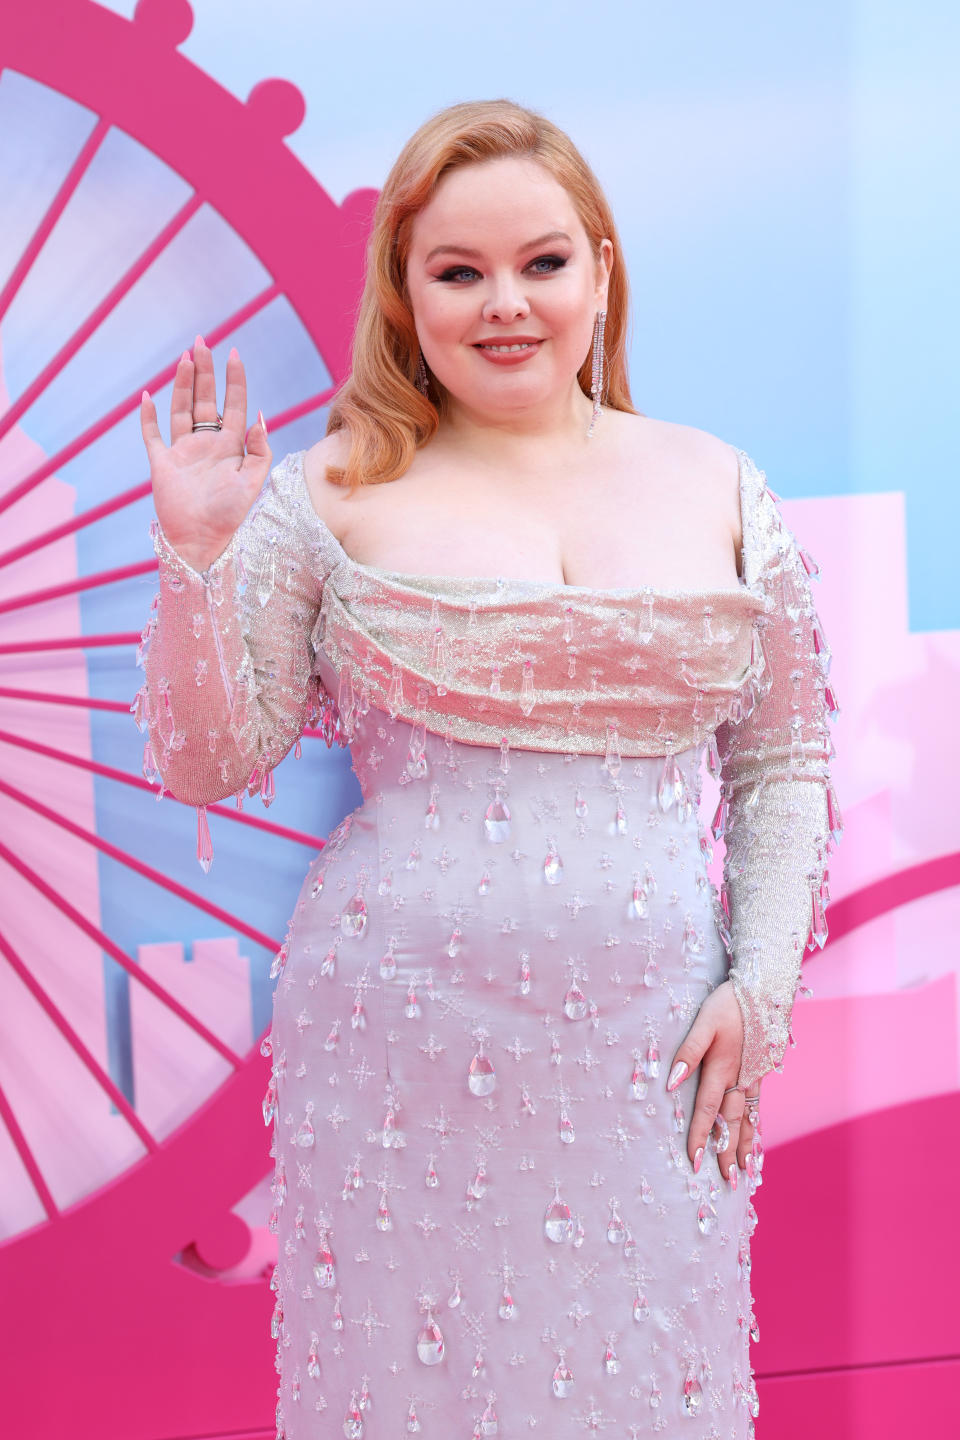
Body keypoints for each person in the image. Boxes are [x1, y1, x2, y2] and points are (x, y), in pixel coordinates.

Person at [135, 98, 839, 1440]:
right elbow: (208, 758)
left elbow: (783, 759)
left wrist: (760, 985)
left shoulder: (719, 483)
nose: (504, 303)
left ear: (602, 271)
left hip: (656, 1044)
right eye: (458, 271)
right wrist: (201, 554)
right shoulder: (326, 491)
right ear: (406, 294)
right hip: (395, 1043)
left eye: (543, 263)